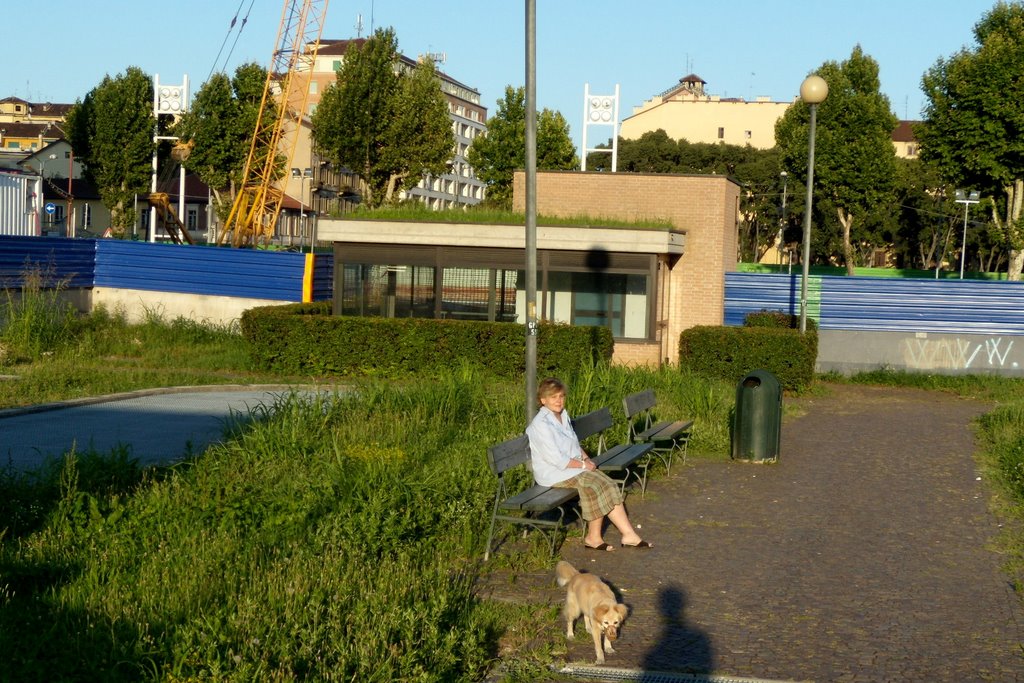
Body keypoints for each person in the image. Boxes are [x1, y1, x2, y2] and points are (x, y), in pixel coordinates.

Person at [526, 377, 653, 551]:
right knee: (595, 485)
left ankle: (628, 535)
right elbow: (557, 460)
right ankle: (593, 538)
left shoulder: (562, 415)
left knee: (608, 483)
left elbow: (573, 443)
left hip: (572, 467)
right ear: (543, 400)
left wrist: (586, 458)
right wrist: (584, 466)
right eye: (553, 397)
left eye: (561, 396)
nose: (558, 400)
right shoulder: (540, 425)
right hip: (554, 473)